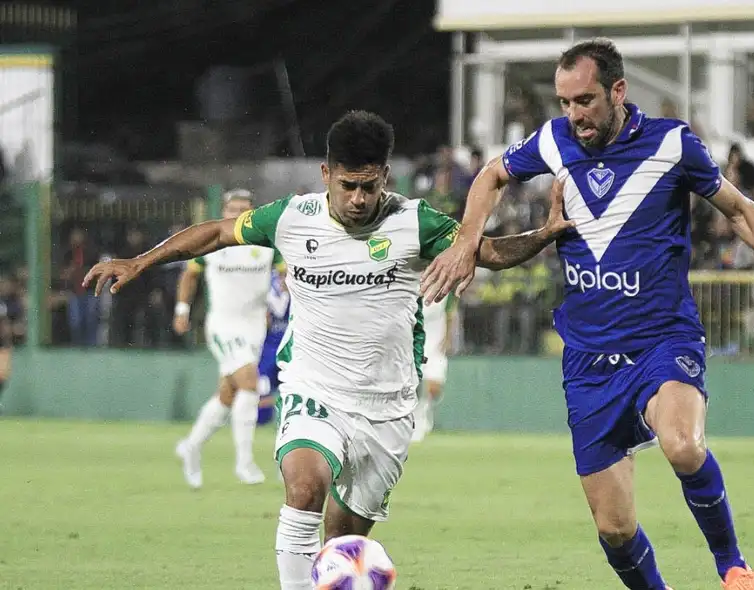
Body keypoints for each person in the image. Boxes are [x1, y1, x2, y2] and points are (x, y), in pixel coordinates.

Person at [421, 38, 754, 590]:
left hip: (661, 340)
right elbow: (490, 176)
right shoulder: (553, 141)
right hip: (588, 360)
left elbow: (741, 212)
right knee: (615, 528)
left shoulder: (672, 145)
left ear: (617, 91)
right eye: (565, 102)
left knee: (683, 444)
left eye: (585, 100)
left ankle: (735, 569)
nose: (574, 114)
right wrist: (466, 240)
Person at [82, 110, 574, 590]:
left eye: (368, 185)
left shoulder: (415, 223)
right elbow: (215, 232)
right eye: (347, 185)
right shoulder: (292, 217)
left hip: (387, 405)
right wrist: (142, 261)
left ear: (383, 176)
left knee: (341, 545)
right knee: (304, 487)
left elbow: (487, 252)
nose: (358, 198)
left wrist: (544, 235)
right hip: (313, 386)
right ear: (326, 174)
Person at [171, 188, 284, 489]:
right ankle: (244, 462)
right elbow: (189, 275)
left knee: (228, 393)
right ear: (224, 212)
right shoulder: (211, 241)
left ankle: (192, 446)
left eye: (243, 210)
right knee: (249, 382)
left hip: (254, 327)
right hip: (223, 325)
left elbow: (287, 275)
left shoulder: (267, 242)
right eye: (232, 209)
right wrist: (182, 309)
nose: (237, 214)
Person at [412, 292, 458, 442]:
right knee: (415, 384)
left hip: (436, 345)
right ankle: (416, 421)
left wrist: (448, 338)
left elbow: (451, 313)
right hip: (416, 342)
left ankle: (424, 412)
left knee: (434, 388)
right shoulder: (412, 286)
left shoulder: (447, 288)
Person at [257, 268, 290, 427]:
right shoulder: (267, 289)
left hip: (291, 347)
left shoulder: (300, 290)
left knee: (293, 385)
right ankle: (261, 420)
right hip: (268, 348)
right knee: (263, 385)